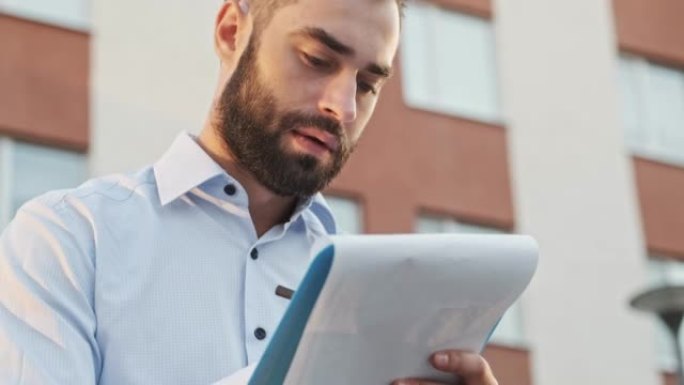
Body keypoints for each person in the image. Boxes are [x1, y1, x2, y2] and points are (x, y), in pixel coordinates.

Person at [0, 0, 499, 384]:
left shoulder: (376, 293)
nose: (343, 107)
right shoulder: (69, 239)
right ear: (231, 31)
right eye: (318, 58)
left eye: (368, 85)